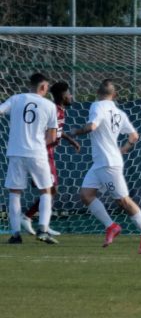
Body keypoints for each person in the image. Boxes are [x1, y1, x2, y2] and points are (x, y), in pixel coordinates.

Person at [70, 79, 141, 254]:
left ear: (97, 92)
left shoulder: (97, 106)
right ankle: (111, 226)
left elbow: (92, 126)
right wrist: (123, 149)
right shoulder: (119, 113)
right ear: (114, 95)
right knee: (86, 195)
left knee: (123, 200)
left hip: (108, 163)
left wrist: (75, 132)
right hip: (102, 163)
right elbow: (134, 136)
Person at [0, 73, 59, 244]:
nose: (47, 90)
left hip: (16, 152)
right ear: (42, 87)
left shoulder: (16, 99)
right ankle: (43, 229)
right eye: (47, 87)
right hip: (37, 153)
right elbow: (52, 137)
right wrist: (39, 143)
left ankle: (15, 234)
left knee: (15, 193)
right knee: (46, 190)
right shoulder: (49, 105)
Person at [21, 81, 81, 237]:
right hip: (44, 153)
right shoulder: (52, 109)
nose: (71, 96)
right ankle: (32, 220)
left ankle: (37, 221)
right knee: (50, 189)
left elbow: (57, 130)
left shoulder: (60, 110)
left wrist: (70, 140)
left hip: (50, 153)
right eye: (69, 93)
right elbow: (45, 130)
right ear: (63, 95)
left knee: (51, 190)